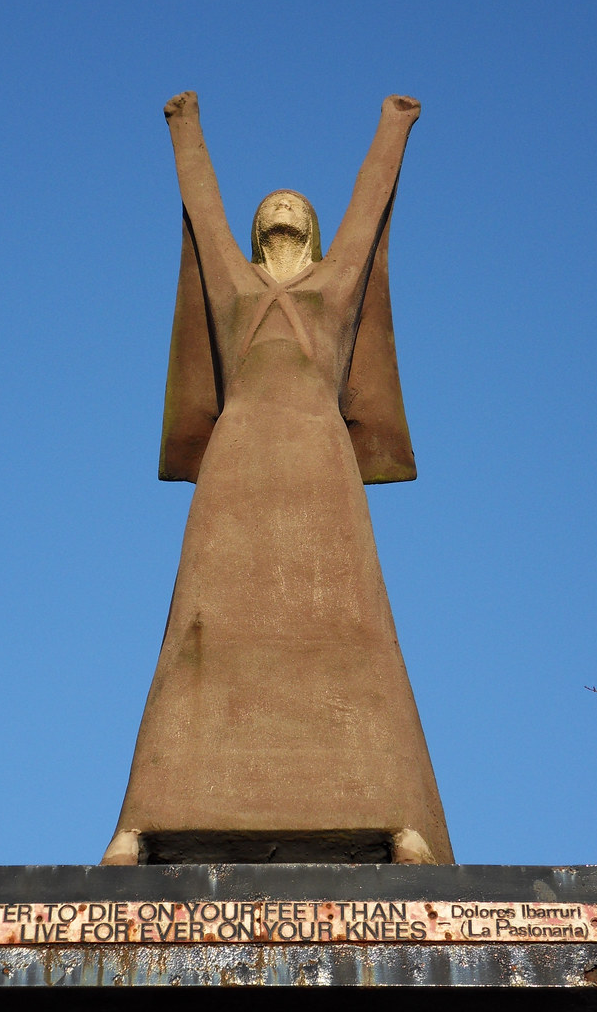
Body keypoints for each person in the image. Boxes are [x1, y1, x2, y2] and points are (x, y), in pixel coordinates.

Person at [103, 92, 453, 866]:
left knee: (354, 634)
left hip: (322, 471)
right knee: (199, 631)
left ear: (314, 229)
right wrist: (185, 127)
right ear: (257, 230)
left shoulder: (335, 287)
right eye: (271, 204)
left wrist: (393, 125)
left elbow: (369, 214)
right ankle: (141, 822)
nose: (282, 205)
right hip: (236, 472)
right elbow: (204, 218)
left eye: (295, 203)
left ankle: (397, 815)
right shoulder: (233, 290)